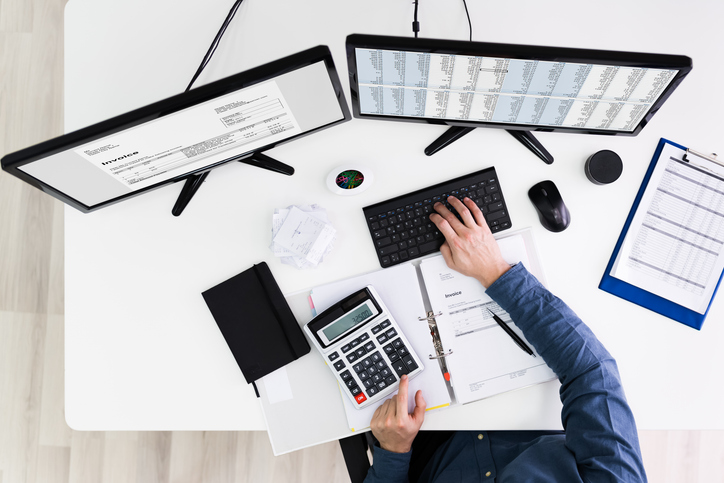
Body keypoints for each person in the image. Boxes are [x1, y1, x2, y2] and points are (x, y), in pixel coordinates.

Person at [363, 196, 648, 483]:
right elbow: (592, 373)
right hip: (525, 413)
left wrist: (393, 451)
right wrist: (494, 272)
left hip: (423, 440)